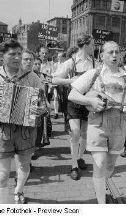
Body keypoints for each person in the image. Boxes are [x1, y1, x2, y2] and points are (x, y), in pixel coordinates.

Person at [0, 39, 48, 204]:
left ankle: (18, 190)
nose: (17, 58)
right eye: (12, 54)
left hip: (26, 131)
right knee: (2, 175)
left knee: (24, 167)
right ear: (2, 55)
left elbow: (44, 102)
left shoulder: (31, 76)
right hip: (0, 130)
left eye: (19, 54)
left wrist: (42, 109)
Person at [68, 41, 126, 204]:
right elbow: (72, 95)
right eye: (110, 52)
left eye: (117, 52)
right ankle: (101, 202)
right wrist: (90, 101)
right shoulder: (94, 73)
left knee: (110, 167)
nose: (114, 55)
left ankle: (99, 184)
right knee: (99, 164)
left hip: (119, 124)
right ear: (102, 55)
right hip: (97, 123)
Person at [52, 34, 95, 180]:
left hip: (88, 102)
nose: (94, 47)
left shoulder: (94, 62)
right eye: (93, 44)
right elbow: (55, 79)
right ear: (85, 45)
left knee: (84, 133)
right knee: (75, 132)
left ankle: (80, 157)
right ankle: (74, 165)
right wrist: (71, 80)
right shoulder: (71, 62)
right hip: (74, 101)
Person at [52, 52, 67, 119]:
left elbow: (66, 74)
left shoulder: (66, 64)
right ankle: (56, 112)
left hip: (64, 83)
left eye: (59, 56)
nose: (58, 58)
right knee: (55, 97)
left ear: (63, 57)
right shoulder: (55, 65)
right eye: (58, 56)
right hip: (56, 83)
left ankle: (64, 112)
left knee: (64, 98)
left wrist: (57, 74)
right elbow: (52, 73)